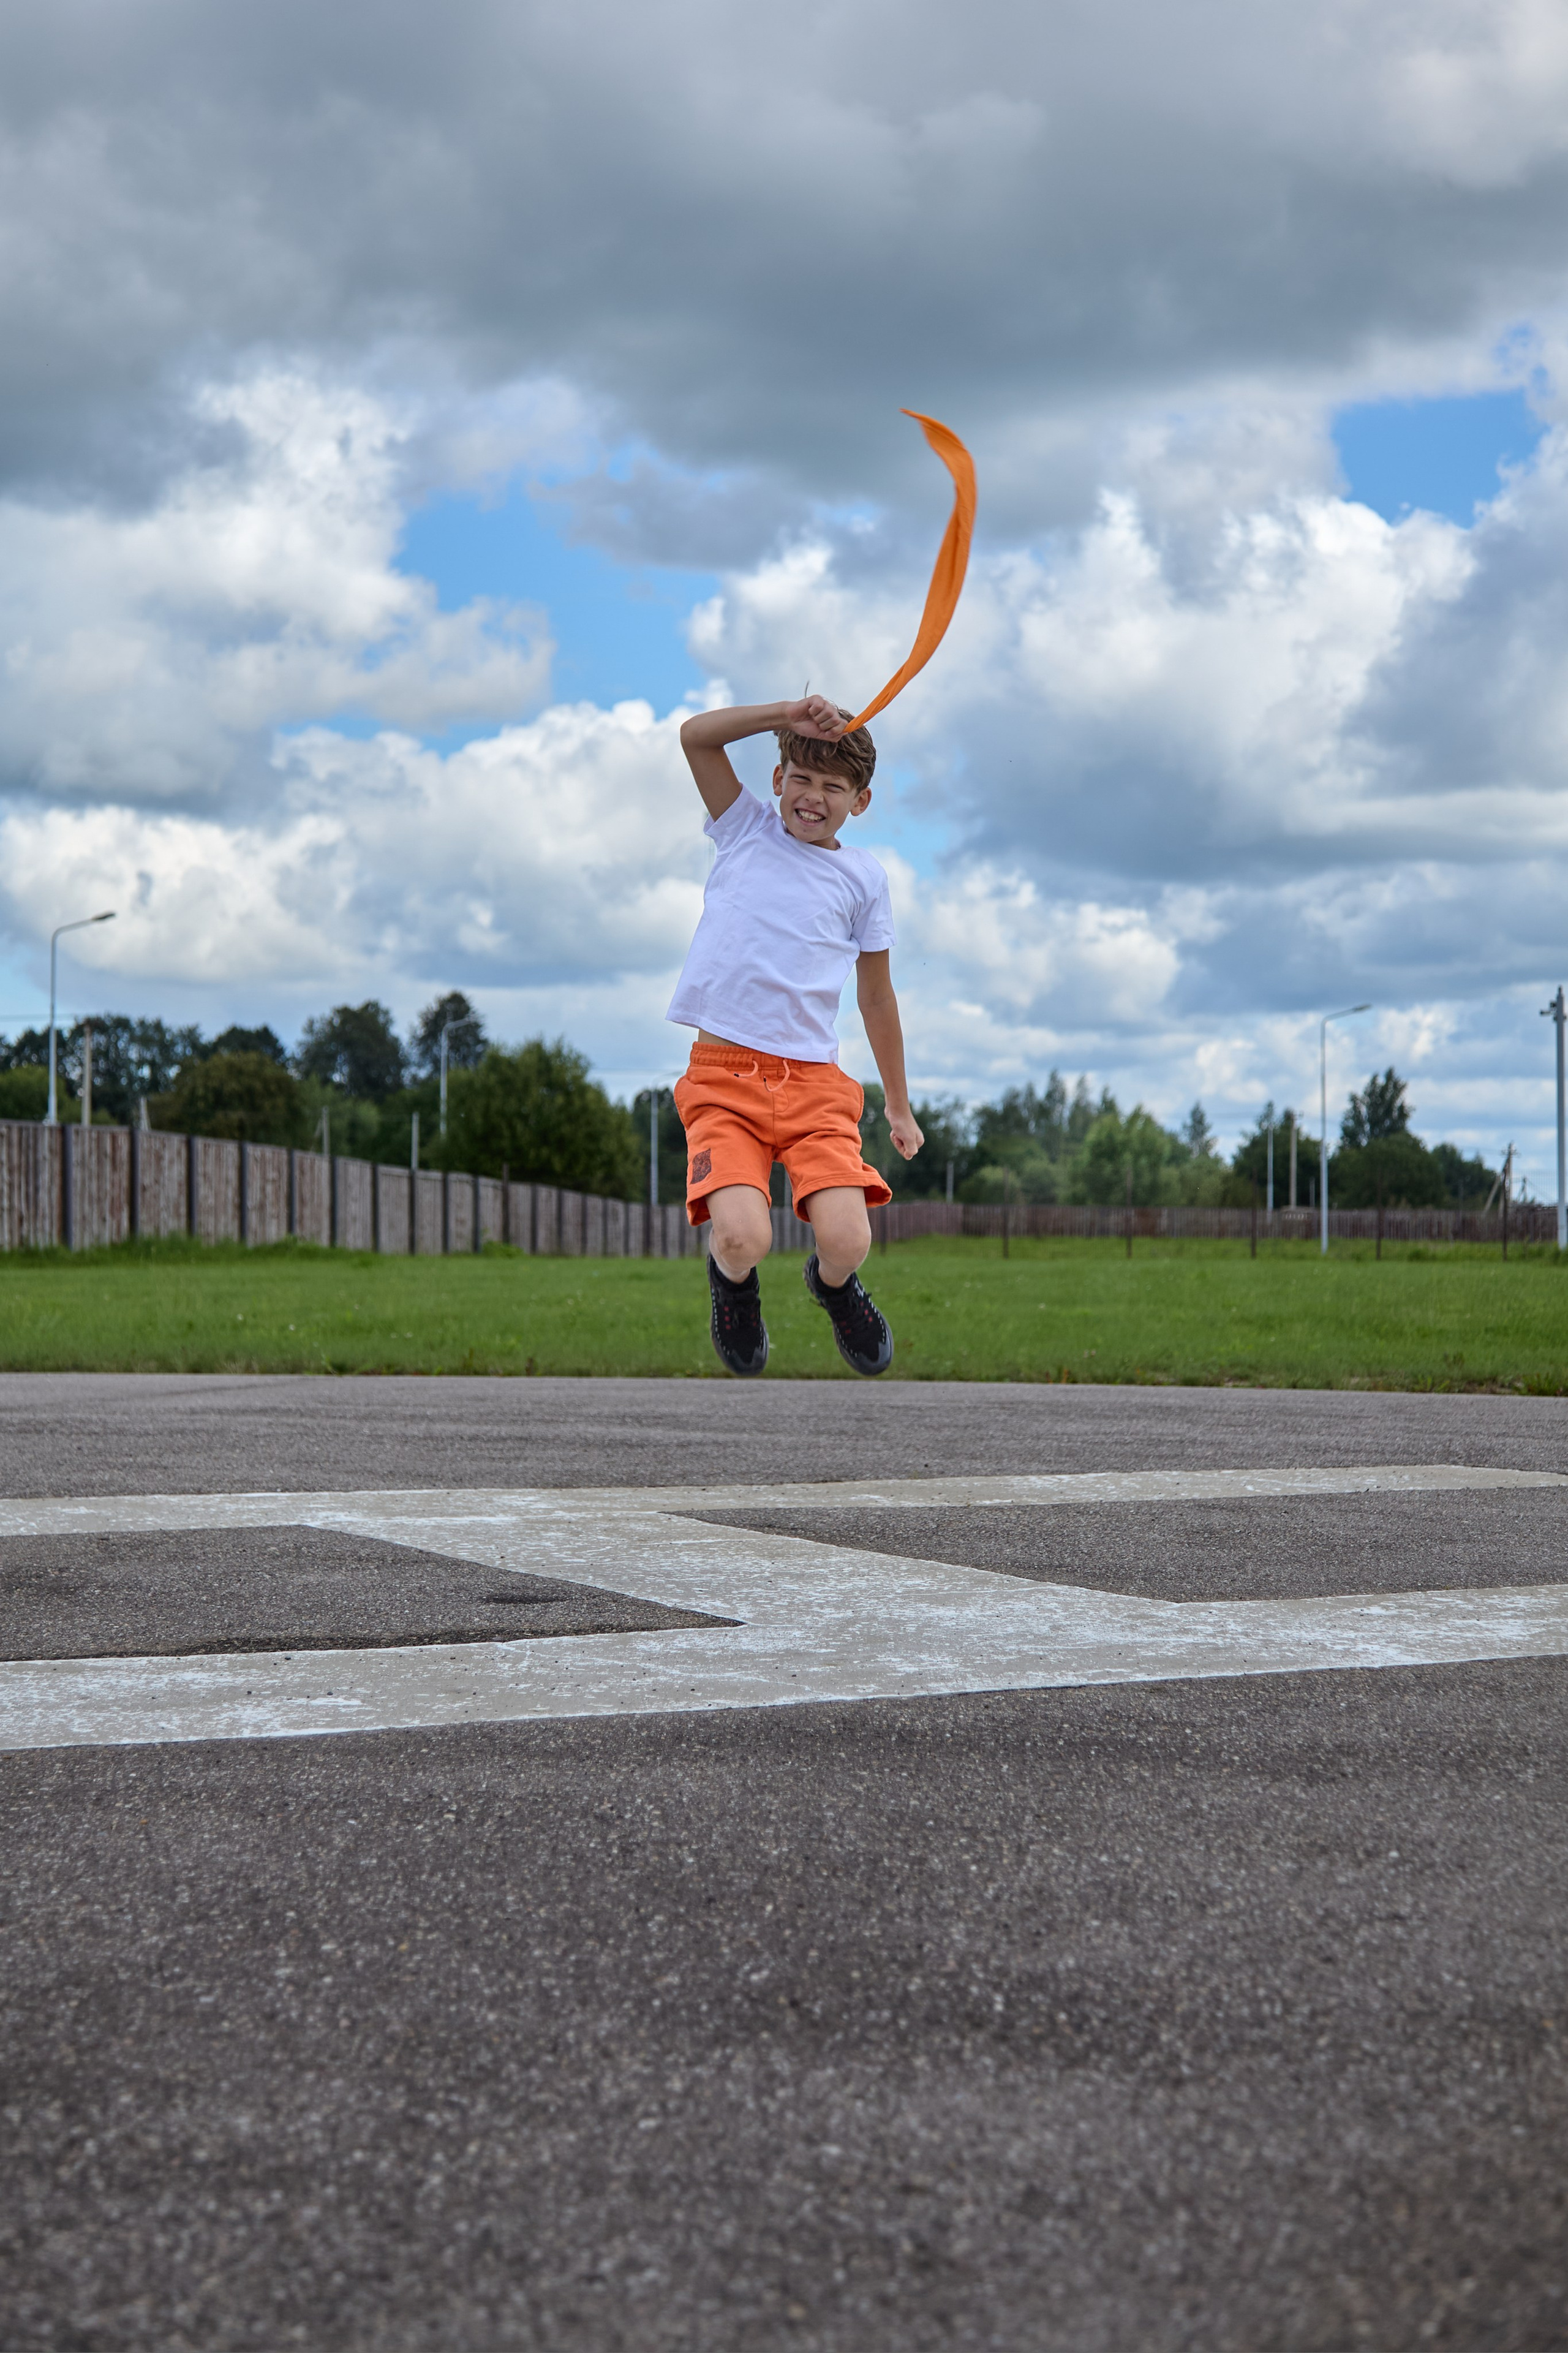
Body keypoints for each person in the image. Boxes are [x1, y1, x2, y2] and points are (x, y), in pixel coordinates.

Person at [669, 694, 924, 1378]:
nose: (814, 798)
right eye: (801, 780)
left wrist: (896, 1104)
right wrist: (787, 713)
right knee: (743, 1234)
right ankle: (732, 1282)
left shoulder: (864, 880)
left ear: (859, 801)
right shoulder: (744, 828)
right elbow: (696, 738)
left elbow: (876, 995)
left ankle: (833, 1288)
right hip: (724, 1079)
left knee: (848, 1240)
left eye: (833, 787)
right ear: (778, 780)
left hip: (814, 1088)